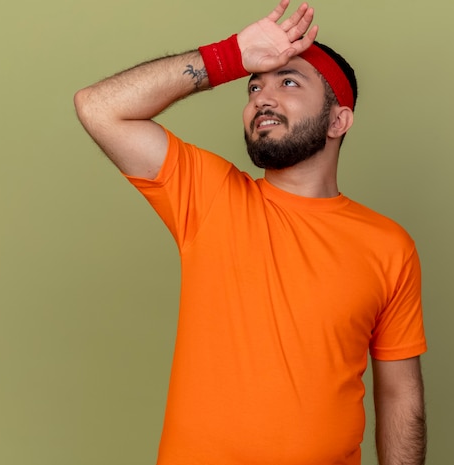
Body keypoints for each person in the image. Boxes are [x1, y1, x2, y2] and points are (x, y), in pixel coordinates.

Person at [74, 1, 427, 464]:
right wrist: (230, 56)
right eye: (254, 85)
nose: (262, 96)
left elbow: (400, 394)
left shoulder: (388, 245)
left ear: (338, 120)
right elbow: (99, 107)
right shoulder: (209, 195)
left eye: (289, 81)